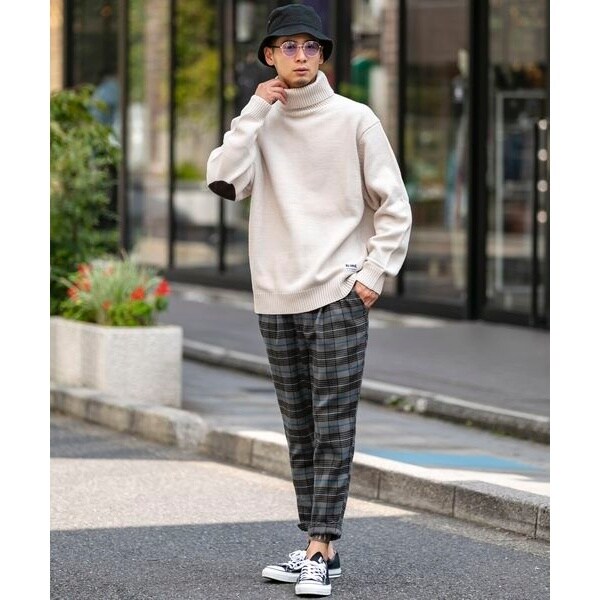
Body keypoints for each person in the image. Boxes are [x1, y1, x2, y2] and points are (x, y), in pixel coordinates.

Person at [206, 5, 411, 597]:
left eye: (311, 47)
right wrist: (253, 110)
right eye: (289, 47)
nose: (301, 56)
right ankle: (316, 547)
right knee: (299, 427)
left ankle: (321, 548)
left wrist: (372, 275)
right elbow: (223, 179)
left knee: (332, 426)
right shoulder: (262, 122)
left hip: (338, 293)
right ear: (269, 56)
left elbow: (394, 205)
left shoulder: (355, 119)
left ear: (322, 56)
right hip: (276, 296)